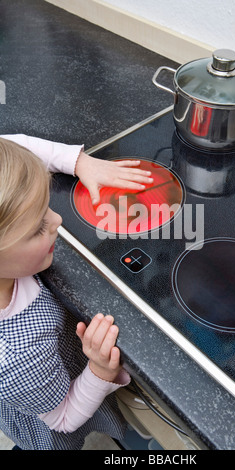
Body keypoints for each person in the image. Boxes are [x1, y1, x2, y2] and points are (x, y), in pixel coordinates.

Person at [0, 134, 153, 450]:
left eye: (47, 209)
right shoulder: (17, 356)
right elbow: (63, 417)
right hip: (49, 409)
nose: (57, 220)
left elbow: (9, 148)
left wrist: (78, 162)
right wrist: (99, 371)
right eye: (37, 228)